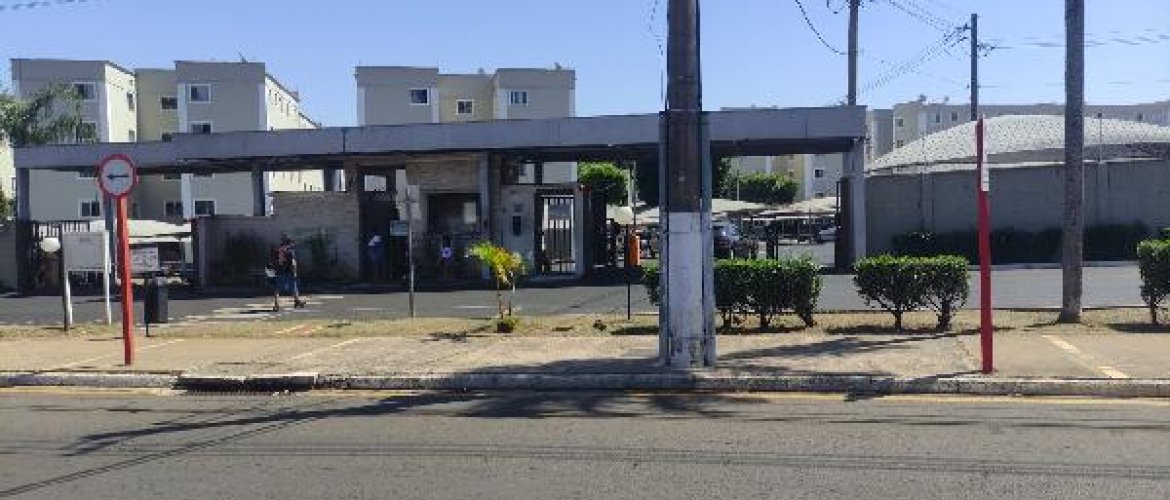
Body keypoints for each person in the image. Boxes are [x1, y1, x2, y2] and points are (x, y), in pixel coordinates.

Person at [270, 234, 305, 311]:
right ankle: (296, 301)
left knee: (277, 288)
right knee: (294, 286)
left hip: (279, 271)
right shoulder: (290, 251)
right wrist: (295, 271)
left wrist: (274, 268)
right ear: (289, 243)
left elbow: (273, 260)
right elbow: (293, 262)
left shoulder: (278, 250)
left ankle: (277, 304)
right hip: (288, 271)